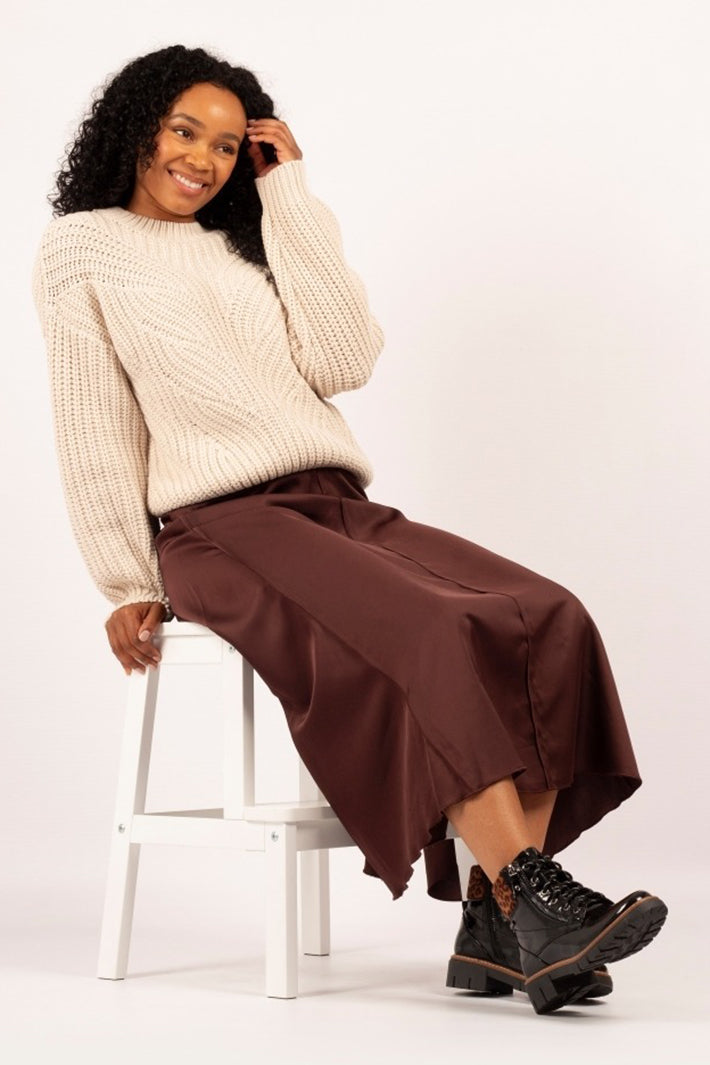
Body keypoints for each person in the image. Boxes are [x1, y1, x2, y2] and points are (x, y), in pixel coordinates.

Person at [31, 43, 667, 1015]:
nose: (200, 159)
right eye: (182, 130)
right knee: (436, 628)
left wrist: (286, 197)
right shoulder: (83, 247)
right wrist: (122, 576)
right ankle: (530, 903)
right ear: (138, 124)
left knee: (546, 615)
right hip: (218, 527)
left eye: (226, 143)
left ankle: (498, 930)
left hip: (333, 504)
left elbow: (342, 357)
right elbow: (90, 420)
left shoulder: (249, 241)